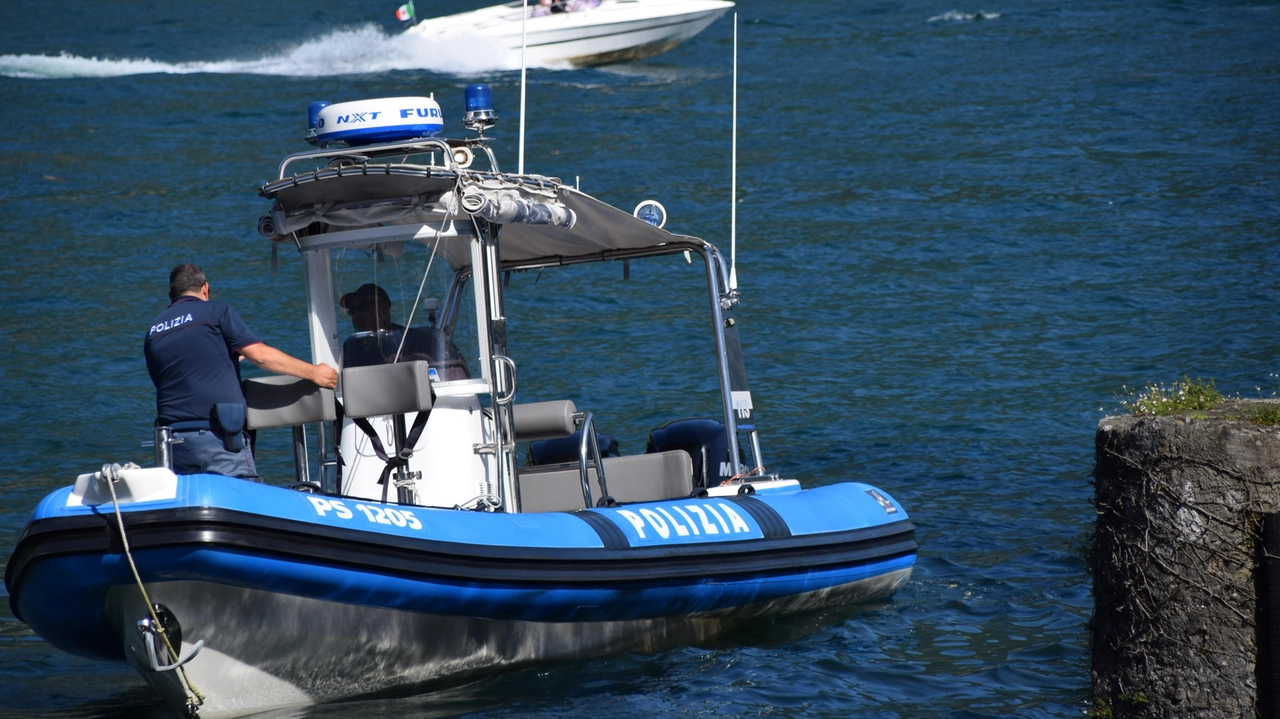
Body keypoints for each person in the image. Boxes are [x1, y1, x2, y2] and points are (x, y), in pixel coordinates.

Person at [145, 264, 338, 478]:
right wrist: (314, 373)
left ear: (171, 295)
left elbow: (170, 376)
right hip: (218, 437)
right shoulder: (216, 312)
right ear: (205, 288)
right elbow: (260, 356)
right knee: (239, 500)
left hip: (172, 441)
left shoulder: (154, 330)